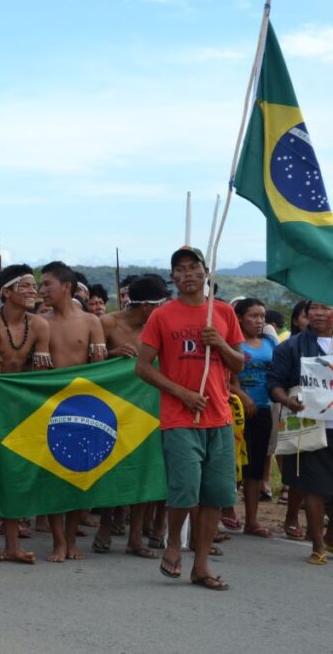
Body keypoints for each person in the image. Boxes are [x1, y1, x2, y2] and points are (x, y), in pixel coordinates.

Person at [137, 246, 243, 591]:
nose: (187, 274)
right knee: (184, 489)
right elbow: (143, 367)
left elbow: (239, 363)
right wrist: (181, 393)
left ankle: (201, 564)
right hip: (180, 417)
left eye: (193, 267)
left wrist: (221, 345)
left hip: (219, 417)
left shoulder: (224, 313)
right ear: (173, 277)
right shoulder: (163, 316)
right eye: (180, 269)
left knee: (215, 493)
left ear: (206, 271)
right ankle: (172, 544)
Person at [92, 275, 170, 558]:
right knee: (111, 467)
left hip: (149, 407)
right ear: (148, 306)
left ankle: (136, 536)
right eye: (162, 303)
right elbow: (91, 363)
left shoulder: (158, 326)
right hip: (112, 407)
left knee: (144, 470)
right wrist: (114, 354)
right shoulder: (107, 323)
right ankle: (105, 525)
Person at [0, 263, 49, 563]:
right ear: (6, 292)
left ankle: (12, 544)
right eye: (26, 286)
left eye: (35, 285)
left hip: (21, 407)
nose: (33, 290)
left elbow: (40, 372)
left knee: (15, 474)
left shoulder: (40, 326)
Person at [39, 261, 107, 562]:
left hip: (83, 408)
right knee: (54, 478)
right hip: (50, 408)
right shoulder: (41, 322)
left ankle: (71, 540)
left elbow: (100, 368)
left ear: (66, 287)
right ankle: (57, 542)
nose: (43, 291)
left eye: (47, 285)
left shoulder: (92, 322)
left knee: (80, 476)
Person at [267, 301, 333, 565]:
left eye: (325, 307)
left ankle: (330, 539)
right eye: (312, 309)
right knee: (314, 486)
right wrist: (286, 400)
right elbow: (274, 383)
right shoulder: (290, 347)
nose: (317, 313)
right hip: (310, 426)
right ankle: (317, 545)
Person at [228, 297, 277, 539]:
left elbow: (277, 374)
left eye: (262, 317)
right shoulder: (232, 343)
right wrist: (241, 394)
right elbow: (227, 376)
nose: (259, 321)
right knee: (230, 464)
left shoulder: (269, 342)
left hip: (263, 410)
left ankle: (252, 520)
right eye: (253, 316)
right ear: (239, 318)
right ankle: (224, 513)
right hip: (235, 411)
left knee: (255, 467)